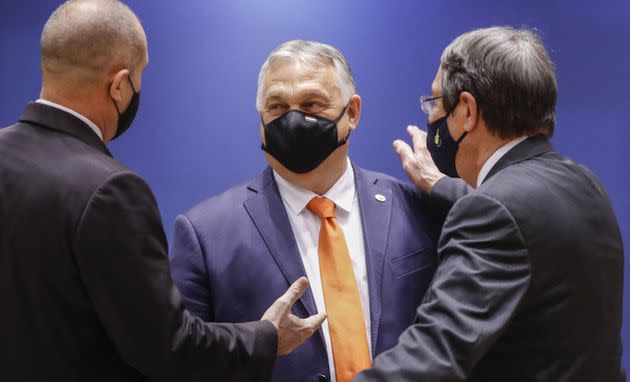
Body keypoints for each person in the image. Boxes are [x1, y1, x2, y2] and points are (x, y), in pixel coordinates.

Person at [0, 1, 325, 381]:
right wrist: (268, 337)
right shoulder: (111, 190)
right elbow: (169, 348)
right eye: (140, 76)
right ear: (120, 86)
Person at [354, 26, 625, 381]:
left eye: (436, 103)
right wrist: (440, 185)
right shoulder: (586, 184)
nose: (431, 117)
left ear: (467, 110)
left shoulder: (492, 211)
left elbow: (433, 357)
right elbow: (521, 226)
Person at [170, 40, 446, 382]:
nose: (294, 119)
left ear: (353, 113)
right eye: (277, 106)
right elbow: (184, 363)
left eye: (312, 104)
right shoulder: (205, 234)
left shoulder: (417, 209)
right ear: (261, 117)